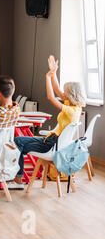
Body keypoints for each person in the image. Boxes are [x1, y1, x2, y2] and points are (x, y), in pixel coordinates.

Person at [13, 55, 86, 188]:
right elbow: (57, 89)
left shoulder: (71, 111)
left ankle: (17, 178)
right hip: (51, 140)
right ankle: (17, 176)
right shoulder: (75, 106)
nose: (62, 93)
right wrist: (54, 73)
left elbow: (51, 97)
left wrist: (47, 77)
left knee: (18, 143)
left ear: (71, 95)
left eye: (66, 92)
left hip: (51, 145)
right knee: (19, 141)